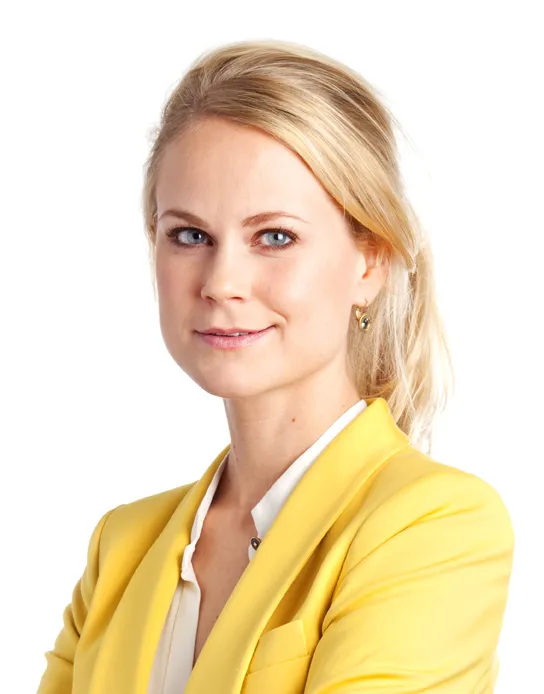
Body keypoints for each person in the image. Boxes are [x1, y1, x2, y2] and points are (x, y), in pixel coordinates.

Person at [36, 39, 514, 694]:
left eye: (274, 236)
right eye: (190, 235)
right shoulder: (121, 548)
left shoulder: (434, 524)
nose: (221, 282)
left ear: (370, 261)